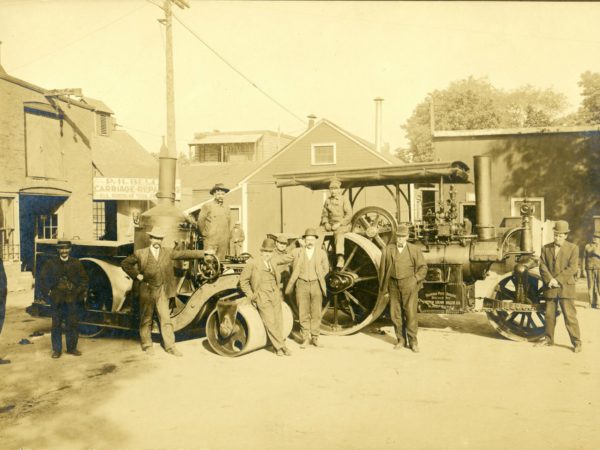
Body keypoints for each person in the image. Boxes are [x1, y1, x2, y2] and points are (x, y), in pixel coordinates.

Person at [121, 227, 204, 357]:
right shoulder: (140, 253)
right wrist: (137, 275)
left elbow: (184, 254)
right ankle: (147, 345)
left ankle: (170, 347)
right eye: (155, 238)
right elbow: (125, 264)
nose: (157, 240)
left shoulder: (168, 252)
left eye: (159, 238)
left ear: (162, 240)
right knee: (146, 319)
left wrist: (204, 253)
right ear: (150, 238)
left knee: (165, 319)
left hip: (162, 291)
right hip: (147, 290)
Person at [378, 224, 427, 353]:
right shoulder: (388, 250)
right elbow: (382, 270)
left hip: (409, 285)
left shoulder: (414, 250)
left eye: (402, 237)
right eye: (398, 236)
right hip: (393, 285)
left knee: (410, 313)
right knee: (395, 314)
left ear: (407, 237)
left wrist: (415, 279)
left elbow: (423, 268)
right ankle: (400, 340)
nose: (400, 239)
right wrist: (384, 287)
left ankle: (413, 342)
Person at [239, 238, 292, 356]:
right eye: (266, 252)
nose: (268, 254)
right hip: (261, 295)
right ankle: (280, 347)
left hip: (275, 294)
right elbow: (243, 281)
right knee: (270, 322)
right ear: (261, 251)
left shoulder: (273, 262)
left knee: (278, 321)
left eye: (270, 252)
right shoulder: (252, 263)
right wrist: (252, 296)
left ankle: (280, 344)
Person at [537, 220, 582, 353]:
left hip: (566, 288)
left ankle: (577, 342)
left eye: (561, 235)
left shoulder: (573, 248)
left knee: (570, 316)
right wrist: (550, 280)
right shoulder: (546, 248)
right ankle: (548, 339)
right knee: (549, 316)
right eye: (556, 234)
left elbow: (572, 268)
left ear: (566, 235)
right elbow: (542, 265)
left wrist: (557, 280)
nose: (558, 237)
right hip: (550, 287)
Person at [38, 240, 89, 359]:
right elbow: (43, 279)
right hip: (57, 299)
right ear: (58, 250)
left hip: (73, 298)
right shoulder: (51, 263)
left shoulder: (76, 263)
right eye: (61, 248)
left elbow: (84, 280)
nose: (64, 251)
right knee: (56, 324)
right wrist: (48, 293)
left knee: (72, 324)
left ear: (70, 249)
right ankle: (57, 350)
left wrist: (77, 292)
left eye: (66, 248)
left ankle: (72, 348)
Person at [285, 228, 329, 348]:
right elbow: (285, 258)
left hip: (316, 284)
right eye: (308, 239)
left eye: (312, 239)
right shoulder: (297, 252)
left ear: (316, 240)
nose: (310, 241)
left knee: (316, 312)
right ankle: (305, 338)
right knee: (303, 312)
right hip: (301, 284)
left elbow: (326, 269)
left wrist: (318, 276)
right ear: (304, 240)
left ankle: (315, 337)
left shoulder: (321, 253)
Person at [319, 178, 352, 269]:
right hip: (330, 224)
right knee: (317, 231)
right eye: (331, 189)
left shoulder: (344, 200)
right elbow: (324, 215)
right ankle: (317, 254)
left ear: (339, 190)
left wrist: (339, 224)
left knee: (339, 233)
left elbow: (349, 215)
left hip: (343, 225)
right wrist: (326, 223)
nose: (333, 191)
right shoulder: (327, 201)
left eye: (335, 189)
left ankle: (340, 257)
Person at [197, 183, 231, 260]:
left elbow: (228, 223)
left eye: (222, 194)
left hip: (223, 240)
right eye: (218, 194)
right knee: (209, 261)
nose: (220, 196)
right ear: (214, 194)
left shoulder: (227, 207)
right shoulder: (207, 206)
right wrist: (205, 233)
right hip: (211, 240)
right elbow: (200, 220)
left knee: (221, 262)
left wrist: (227, 236)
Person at [584, 232, 600, 309]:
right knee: (590, 285)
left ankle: (598, 303)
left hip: (599, 268)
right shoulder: (588, 246)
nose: (595, 239)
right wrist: (583, 269)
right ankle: (590, 302)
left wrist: (597, 251)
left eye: (597, 237)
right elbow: (584, 257)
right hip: (589, 268)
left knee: (599, 285)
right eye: (594, 237)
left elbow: (596, 253)